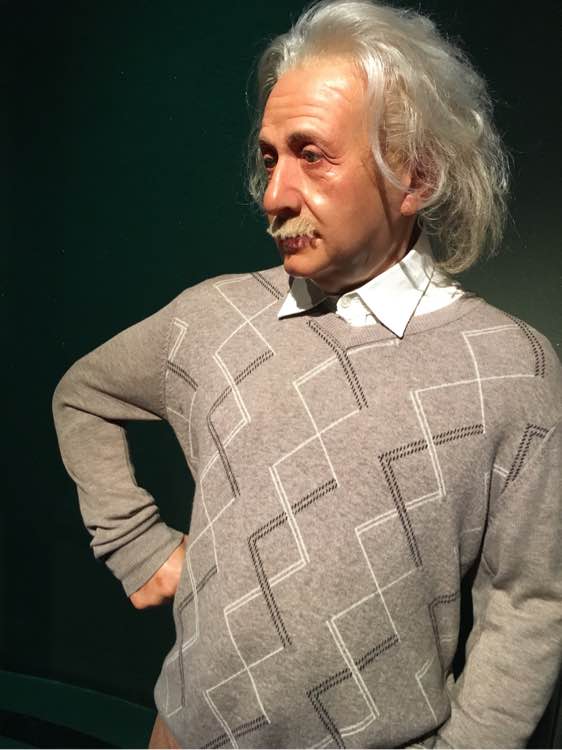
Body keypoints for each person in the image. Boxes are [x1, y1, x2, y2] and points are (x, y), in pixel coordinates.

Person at [52, 0, 562, 747]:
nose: (273, 195)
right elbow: (83, 396)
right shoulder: (213, 319)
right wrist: (137, 545)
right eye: (269, 157)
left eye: (312, 154)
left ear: (416, 175)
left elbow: (531, 599)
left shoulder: (512, 369)